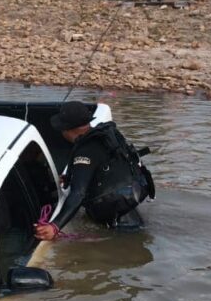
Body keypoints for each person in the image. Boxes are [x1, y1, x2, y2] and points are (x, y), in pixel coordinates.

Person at [34, 101, 154, 241]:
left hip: (118, 224)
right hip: (129, 208)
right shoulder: (104, 135)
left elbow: (78, 194)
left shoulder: (85, 151)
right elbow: (104, 169)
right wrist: (72, 178)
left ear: (67, 129)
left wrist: (55, 226)